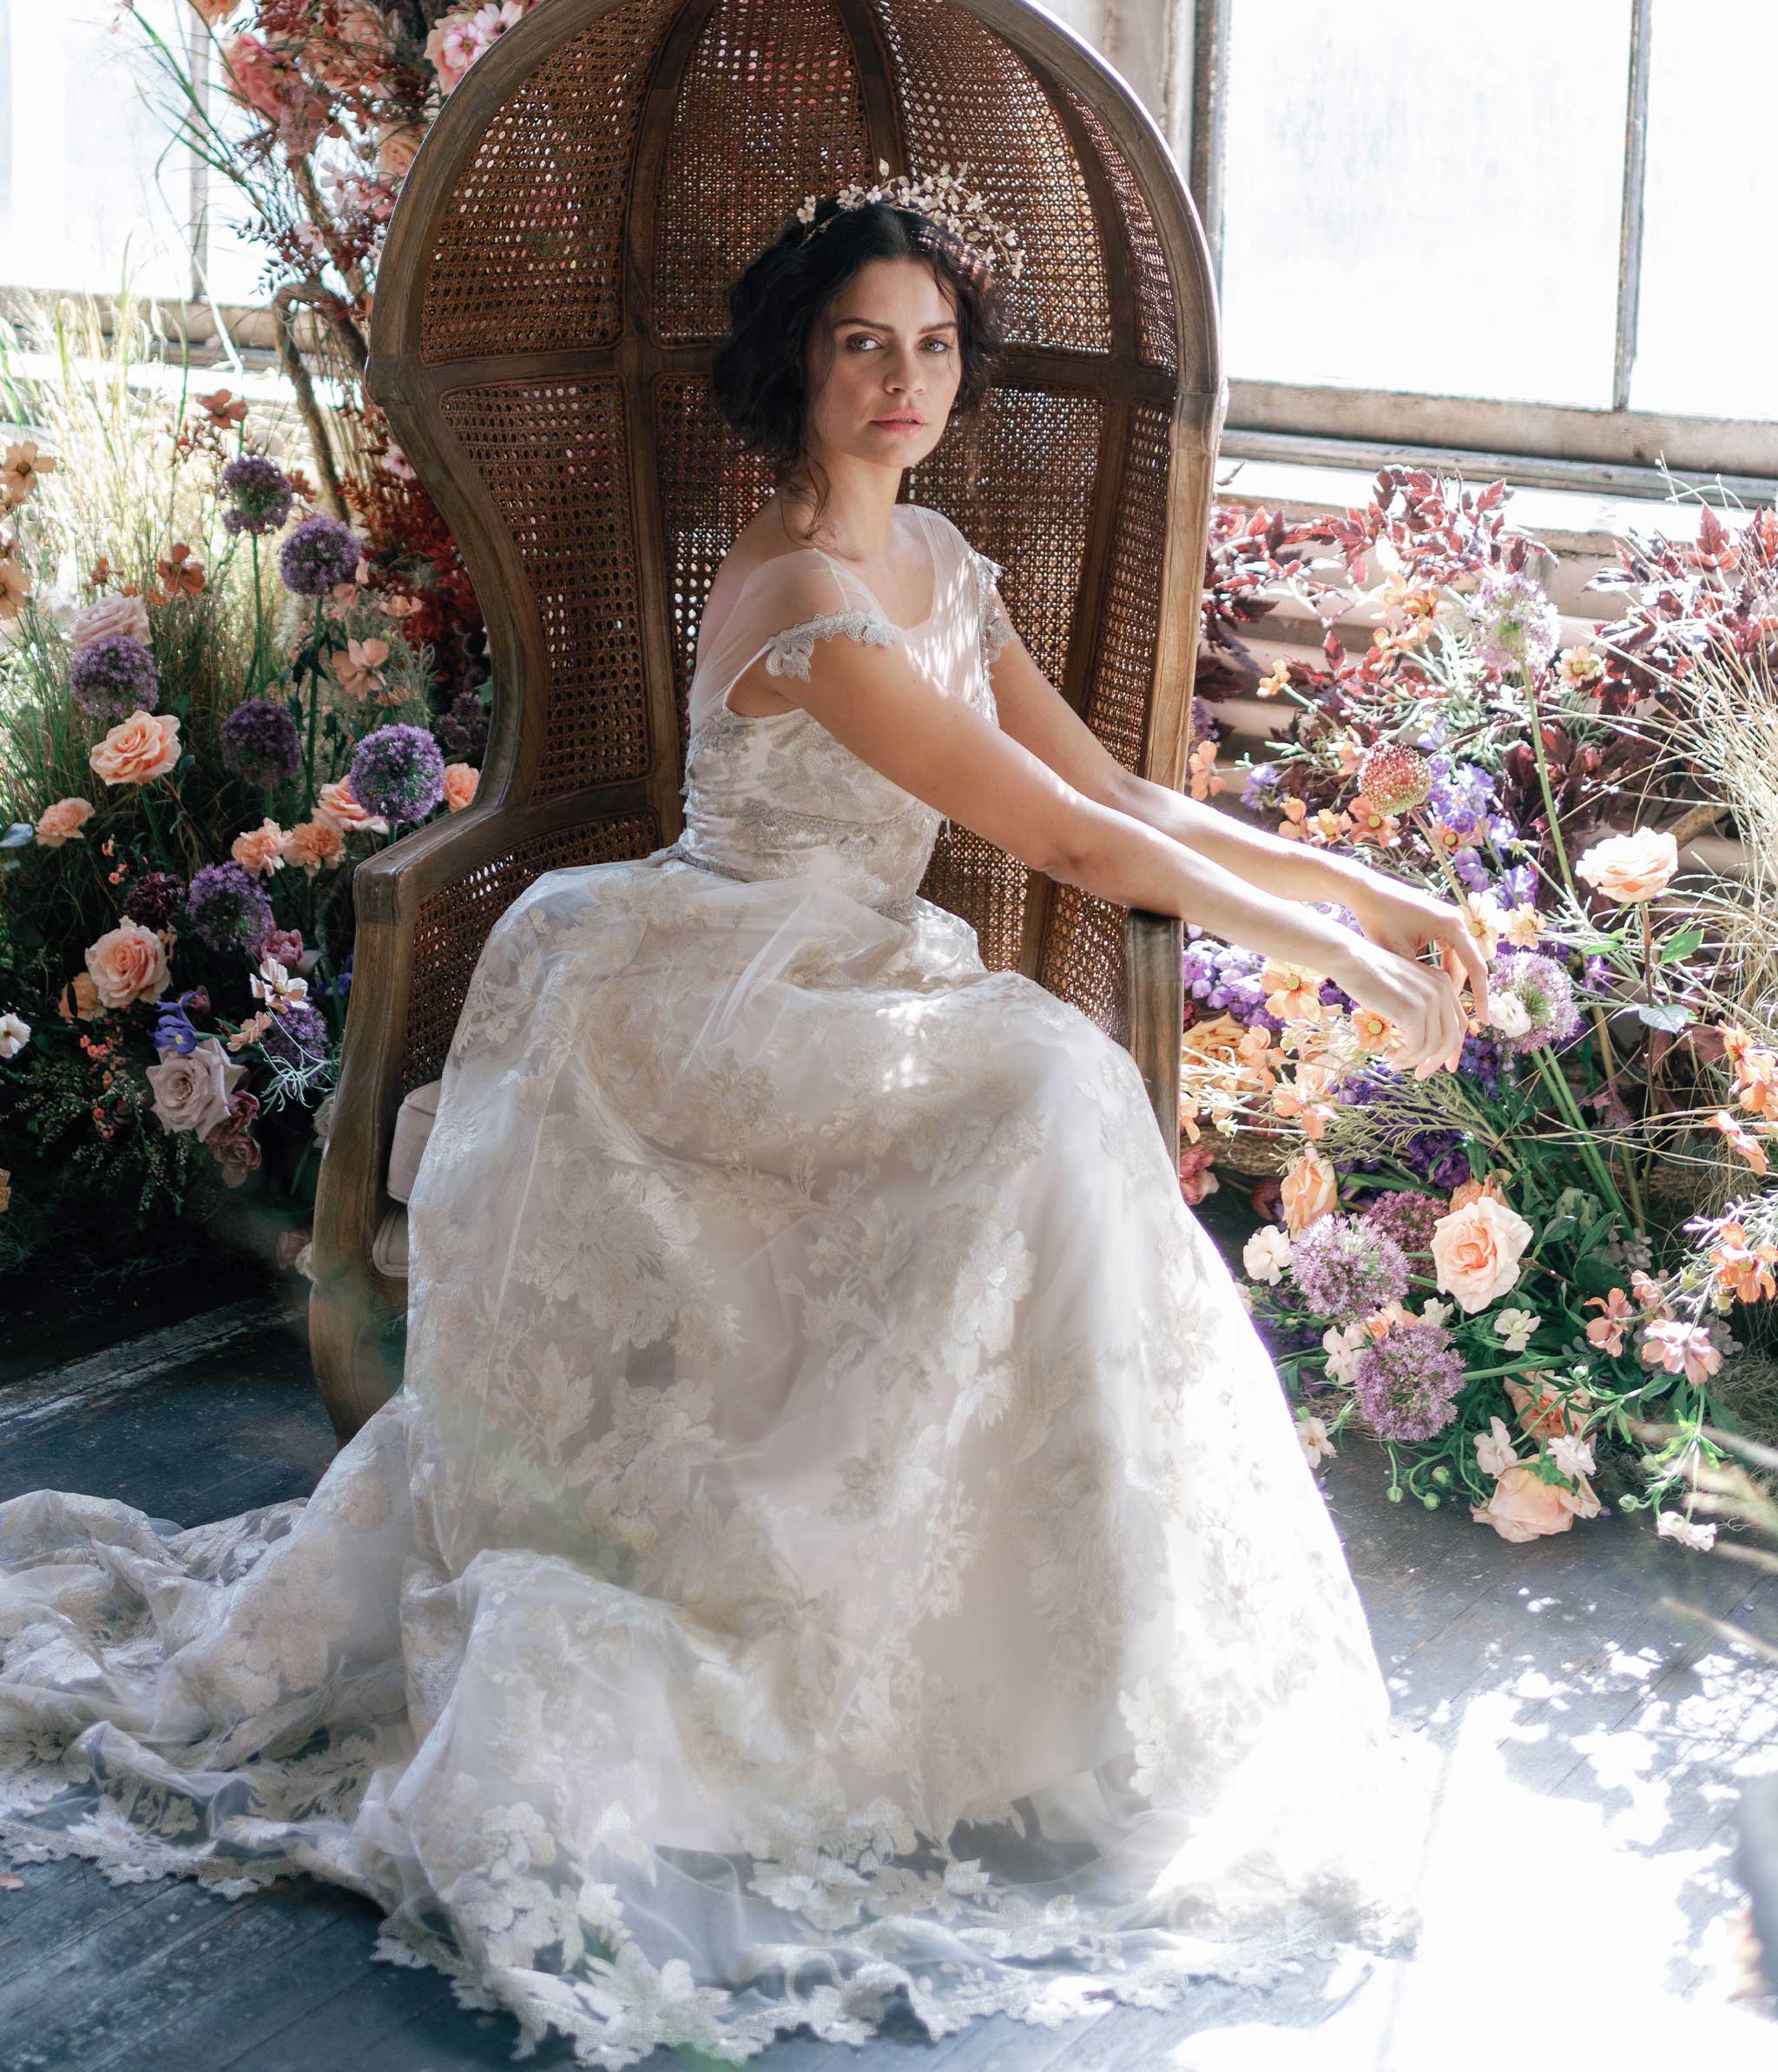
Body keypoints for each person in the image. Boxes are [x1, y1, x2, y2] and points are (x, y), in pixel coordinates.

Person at [0, 168, 1486, 2065]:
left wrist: (1372, 894)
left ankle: (1032, 1664)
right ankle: (831, 1639)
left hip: (854, 966)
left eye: (933, 344)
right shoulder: (796, 590)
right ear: (796, 363)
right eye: (864, 342)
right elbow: (1056, 841)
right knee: (1053, 1078)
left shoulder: (939, 559)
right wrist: (1334, 959)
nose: (903, 378)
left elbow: (1114, 779)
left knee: (1051, 1088)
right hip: (704, 993)